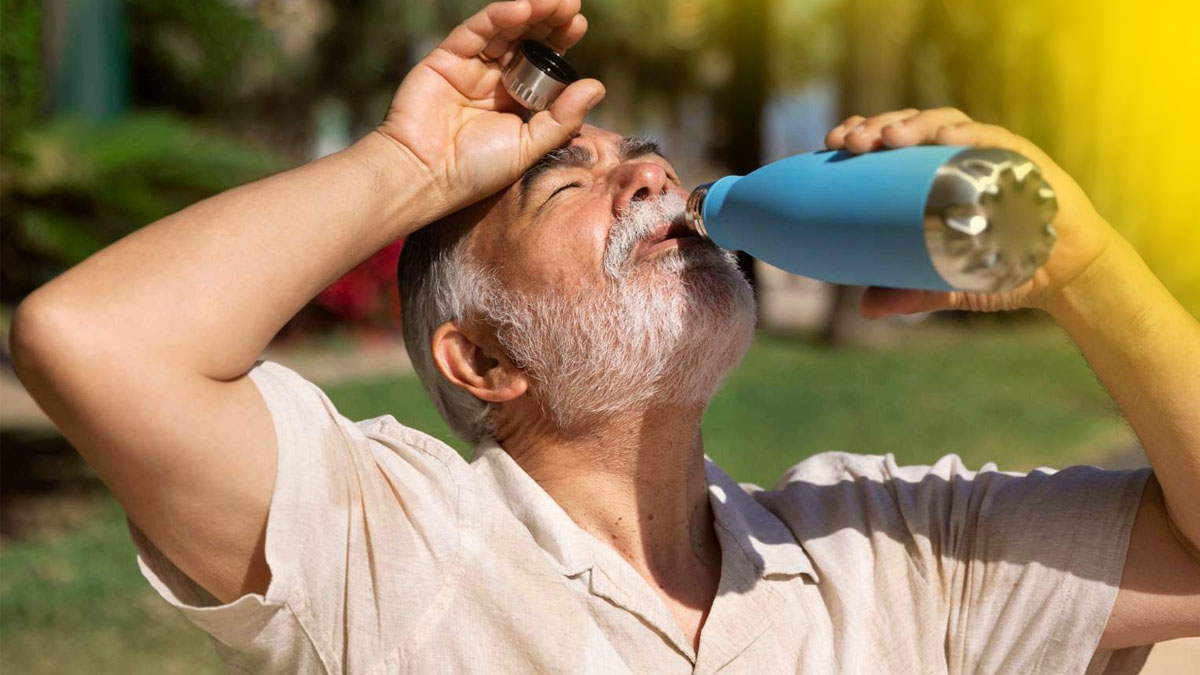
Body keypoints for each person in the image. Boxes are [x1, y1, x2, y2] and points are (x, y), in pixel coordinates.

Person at [10, 1, 1200, 672]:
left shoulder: (894, 549)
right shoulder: (389, 546)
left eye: (641, 156)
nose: (646, 173)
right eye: (562, 184)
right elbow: (93, 340)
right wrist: (409, 165)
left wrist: (1085, 269)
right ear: (483, 360)